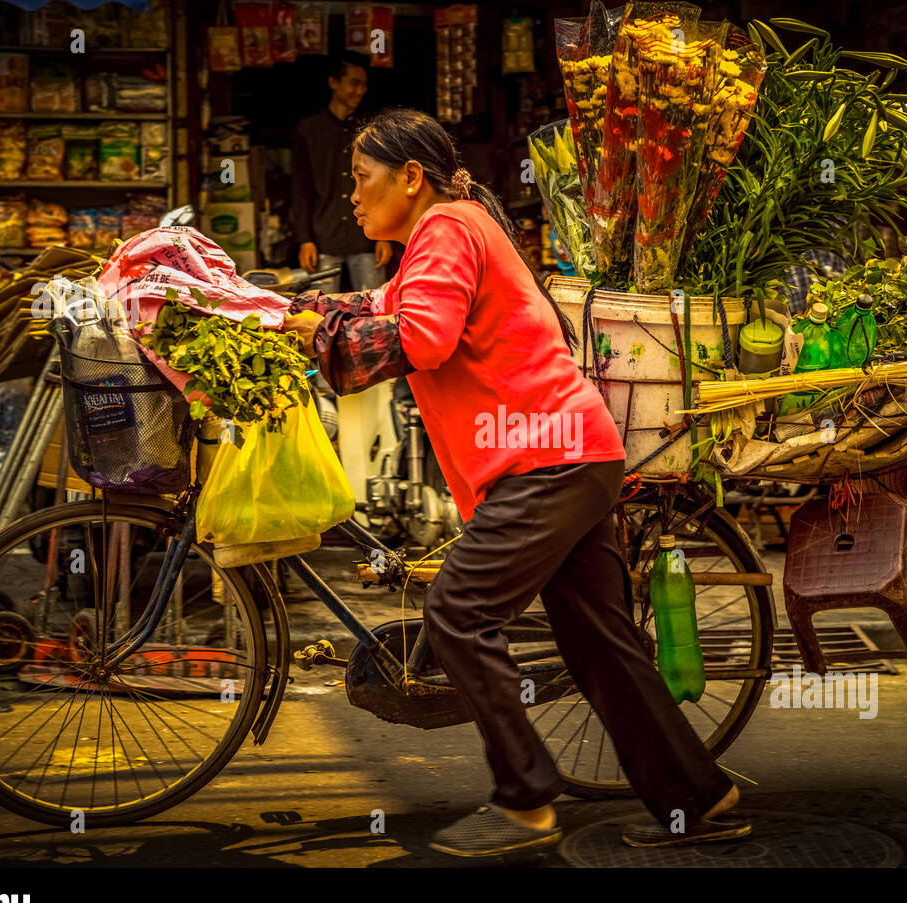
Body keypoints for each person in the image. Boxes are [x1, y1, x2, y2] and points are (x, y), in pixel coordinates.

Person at [286, 108, 752, 857]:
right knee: (601, 642)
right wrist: (299, 310)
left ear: (411, 178)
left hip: (548, 462)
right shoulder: (443, 236)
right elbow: (387, 306)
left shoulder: (446, 229)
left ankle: (526, 797)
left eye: (362, 179)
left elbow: (423, 337)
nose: (353, 196)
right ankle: (701, 797)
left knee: (458, 612)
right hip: (573, 455)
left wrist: (316, 332)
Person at [290, 52, 392, 293]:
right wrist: (304, 240)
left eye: (364, 85)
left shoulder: (370, 128)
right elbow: (301, 189)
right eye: (354, 83)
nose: (360, 91)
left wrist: (384, 234)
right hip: (323, 239)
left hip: (366, 238)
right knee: (322, 314)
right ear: (333, 82)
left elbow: (385, 183)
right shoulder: (310, 129)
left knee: (374, 311)